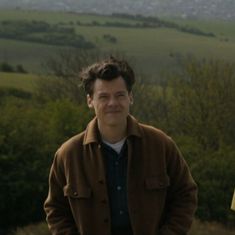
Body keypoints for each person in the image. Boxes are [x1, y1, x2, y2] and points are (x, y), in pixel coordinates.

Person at [44, 57, 198, 235]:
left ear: (130, 97)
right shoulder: (69, 154)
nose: (113, 103)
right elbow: (55, 210)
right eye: (103, 97)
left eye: (120, 95)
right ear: (90, 101)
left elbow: (186, 195)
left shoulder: (161, 145)